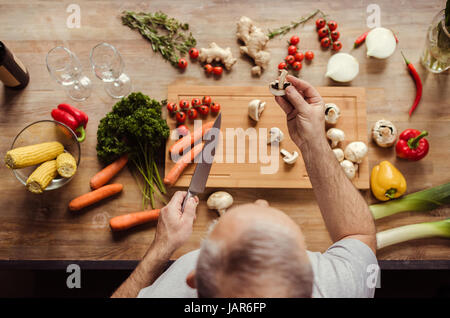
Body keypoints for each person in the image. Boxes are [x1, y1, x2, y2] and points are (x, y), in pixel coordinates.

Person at [112, 76, 378, 298]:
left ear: (194, 279)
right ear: (308, 278)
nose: (262, 202)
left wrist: (161, 249)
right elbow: (358, 234)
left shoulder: (172, 289)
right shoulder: (336, 288)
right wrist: (312, 140)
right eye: (270, 211)